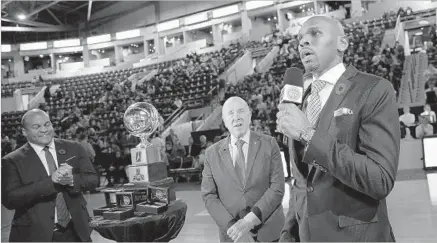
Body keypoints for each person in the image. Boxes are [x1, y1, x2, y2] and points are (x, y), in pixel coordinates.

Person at [277, 16, 400, 242]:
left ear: (342, 43)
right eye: (300, 39)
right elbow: (302, 183)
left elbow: (380, 179)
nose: (303, 42)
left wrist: (308, 134)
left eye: (314, 33)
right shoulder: (301, 99)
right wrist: (289, 234)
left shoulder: (373, 89)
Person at [1, 109, 98, 242]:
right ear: (24, 132)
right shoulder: (12, 160)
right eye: (36, 127)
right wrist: (51, 182)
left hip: (77, 231)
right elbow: (10, 199)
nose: (44, 130)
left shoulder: (74, 147)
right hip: (35, 235)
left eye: (47, 124)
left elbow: (92, 179)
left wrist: (71, 180)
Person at [201, 96, 285, 242]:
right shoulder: (211, 153)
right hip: (232, 235)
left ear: (249, 114)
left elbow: (277, 188)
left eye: (241, 111)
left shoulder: (269, 144)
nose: (236, 117)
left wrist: (248, 222)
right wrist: (234, 228)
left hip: (269, 233)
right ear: (224, 121)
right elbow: (209, 196)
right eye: (230, 113)